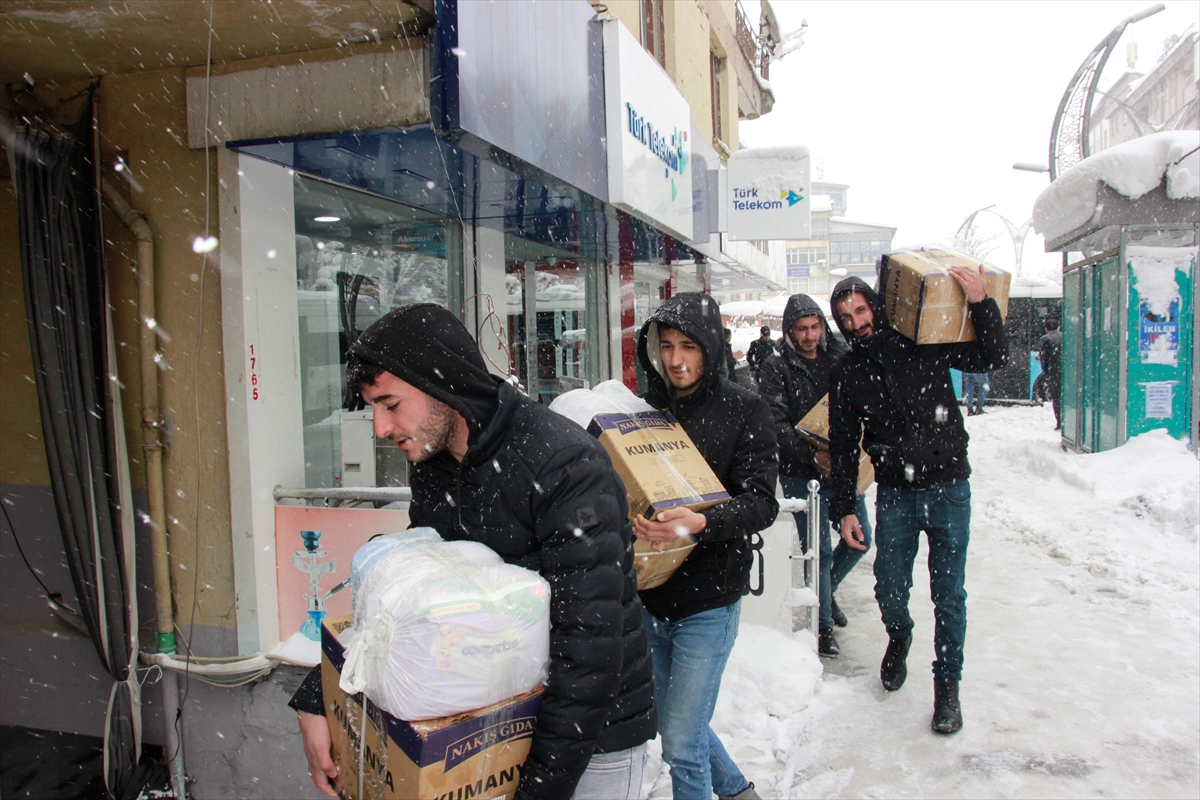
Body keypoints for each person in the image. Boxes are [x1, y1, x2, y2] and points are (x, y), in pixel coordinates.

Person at [288, 304, 656, 800]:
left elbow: (589, 651)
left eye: (391, 404)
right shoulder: (434, 462)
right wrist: (321, 692)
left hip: (590, 743)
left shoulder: (563, 464)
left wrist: (539, 790)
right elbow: (409, 597)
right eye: (372, 406)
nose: (378, 427)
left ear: (444, 386)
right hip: (489, 729)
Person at [828, 269, 1007, 735]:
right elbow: (844, 445)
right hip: (896, 495)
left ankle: (947, 690)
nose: (856, 322)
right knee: (889, 587)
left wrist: (980, 302)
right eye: (845, 316)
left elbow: (993, 355)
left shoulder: (921, 341)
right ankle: (899, 634)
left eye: (861, 310)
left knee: (949, 596)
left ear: (875, 307)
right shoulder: (847, 373)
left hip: (949, 486)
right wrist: (845, 507)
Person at [634, 292, 778, 800]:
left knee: (681, 742)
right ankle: (738, 792)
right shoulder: (648, 410)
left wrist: (700, 521)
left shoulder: (746, 409)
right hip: (651, 594)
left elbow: (762, 503)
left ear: (710, 349)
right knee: (674, 724)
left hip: (710, 598)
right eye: (667, 346)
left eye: (688, 347)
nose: (676, 360)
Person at [758, 294, 873, 659]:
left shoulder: (839, 356)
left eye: (814, 327)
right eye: (801, 329)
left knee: (860, 539)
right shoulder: (777, 367)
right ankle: (823, 628)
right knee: (819, 549)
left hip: (843, 466)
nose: (809, 335)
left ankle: (827, 592)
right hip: (800, 470)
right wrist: (811, 453)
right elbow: (776, 423)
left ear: (823, 326)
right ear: (790, 331)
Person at [1037, 318, 1063, 430]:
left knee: (1056, 398)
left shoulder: (1045, 339)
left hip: (1054, 372)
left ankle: (1060, 422)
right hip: (1065, 372)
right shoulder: (1065, 336)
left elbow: (1044, 358)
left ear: (1046, 328)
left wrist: (1046, 372)